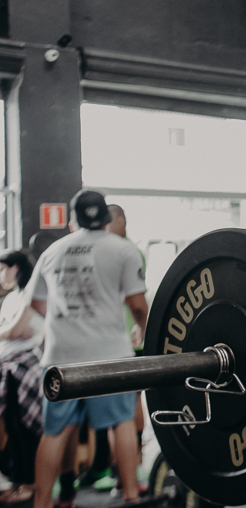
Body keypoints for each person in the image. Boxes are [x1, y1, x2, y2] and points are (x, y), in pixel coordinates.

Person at [28, 189, 148, 508]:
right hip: (110, 353)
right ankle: (131, 496)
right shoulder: (123, 250)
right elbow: (137, 305)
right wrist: (144, 329)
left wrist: (68, 322)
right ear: (108, 219)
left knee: (55, 432)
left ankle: (45, 503)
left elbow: (37, 303)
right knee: (121, 423)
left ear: (72, 220)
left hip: (61, 355)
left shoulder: (52, 251)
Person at [0, 250, 43, 504]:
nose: (0, 275)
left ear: (16, 268)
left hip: (25, 368)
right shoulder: (10, 299)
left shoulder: (29, 295)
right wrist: (10, 331)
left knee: (26, 428)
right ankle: (17, 481)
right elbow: (13, 330)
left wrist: (9, 331)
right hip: (8, 367)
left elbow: (17, 330)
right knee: (13, 428)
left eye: (3, 269)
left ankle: (30, 483)